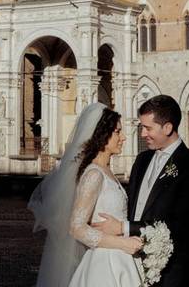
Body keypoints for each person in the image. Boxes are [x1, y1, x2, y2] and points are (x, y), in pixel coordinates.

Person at [94, 94, 189, 287]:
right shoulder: (142, 160)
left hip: (171, 269)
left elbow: (180, 225)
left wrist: (124, 227)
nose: (142, 134)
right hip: (130, 260)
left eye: (148, 128)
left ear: (168, 127)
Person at [28, 103, 142, 287]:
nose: (124, 137)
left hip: (119, 258)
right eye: (117, 132)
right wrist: (122, 244)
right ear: (102, 135)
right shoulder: (94, 174)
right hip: (105, 264)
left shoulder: (106, 171)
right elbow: (77, 227)